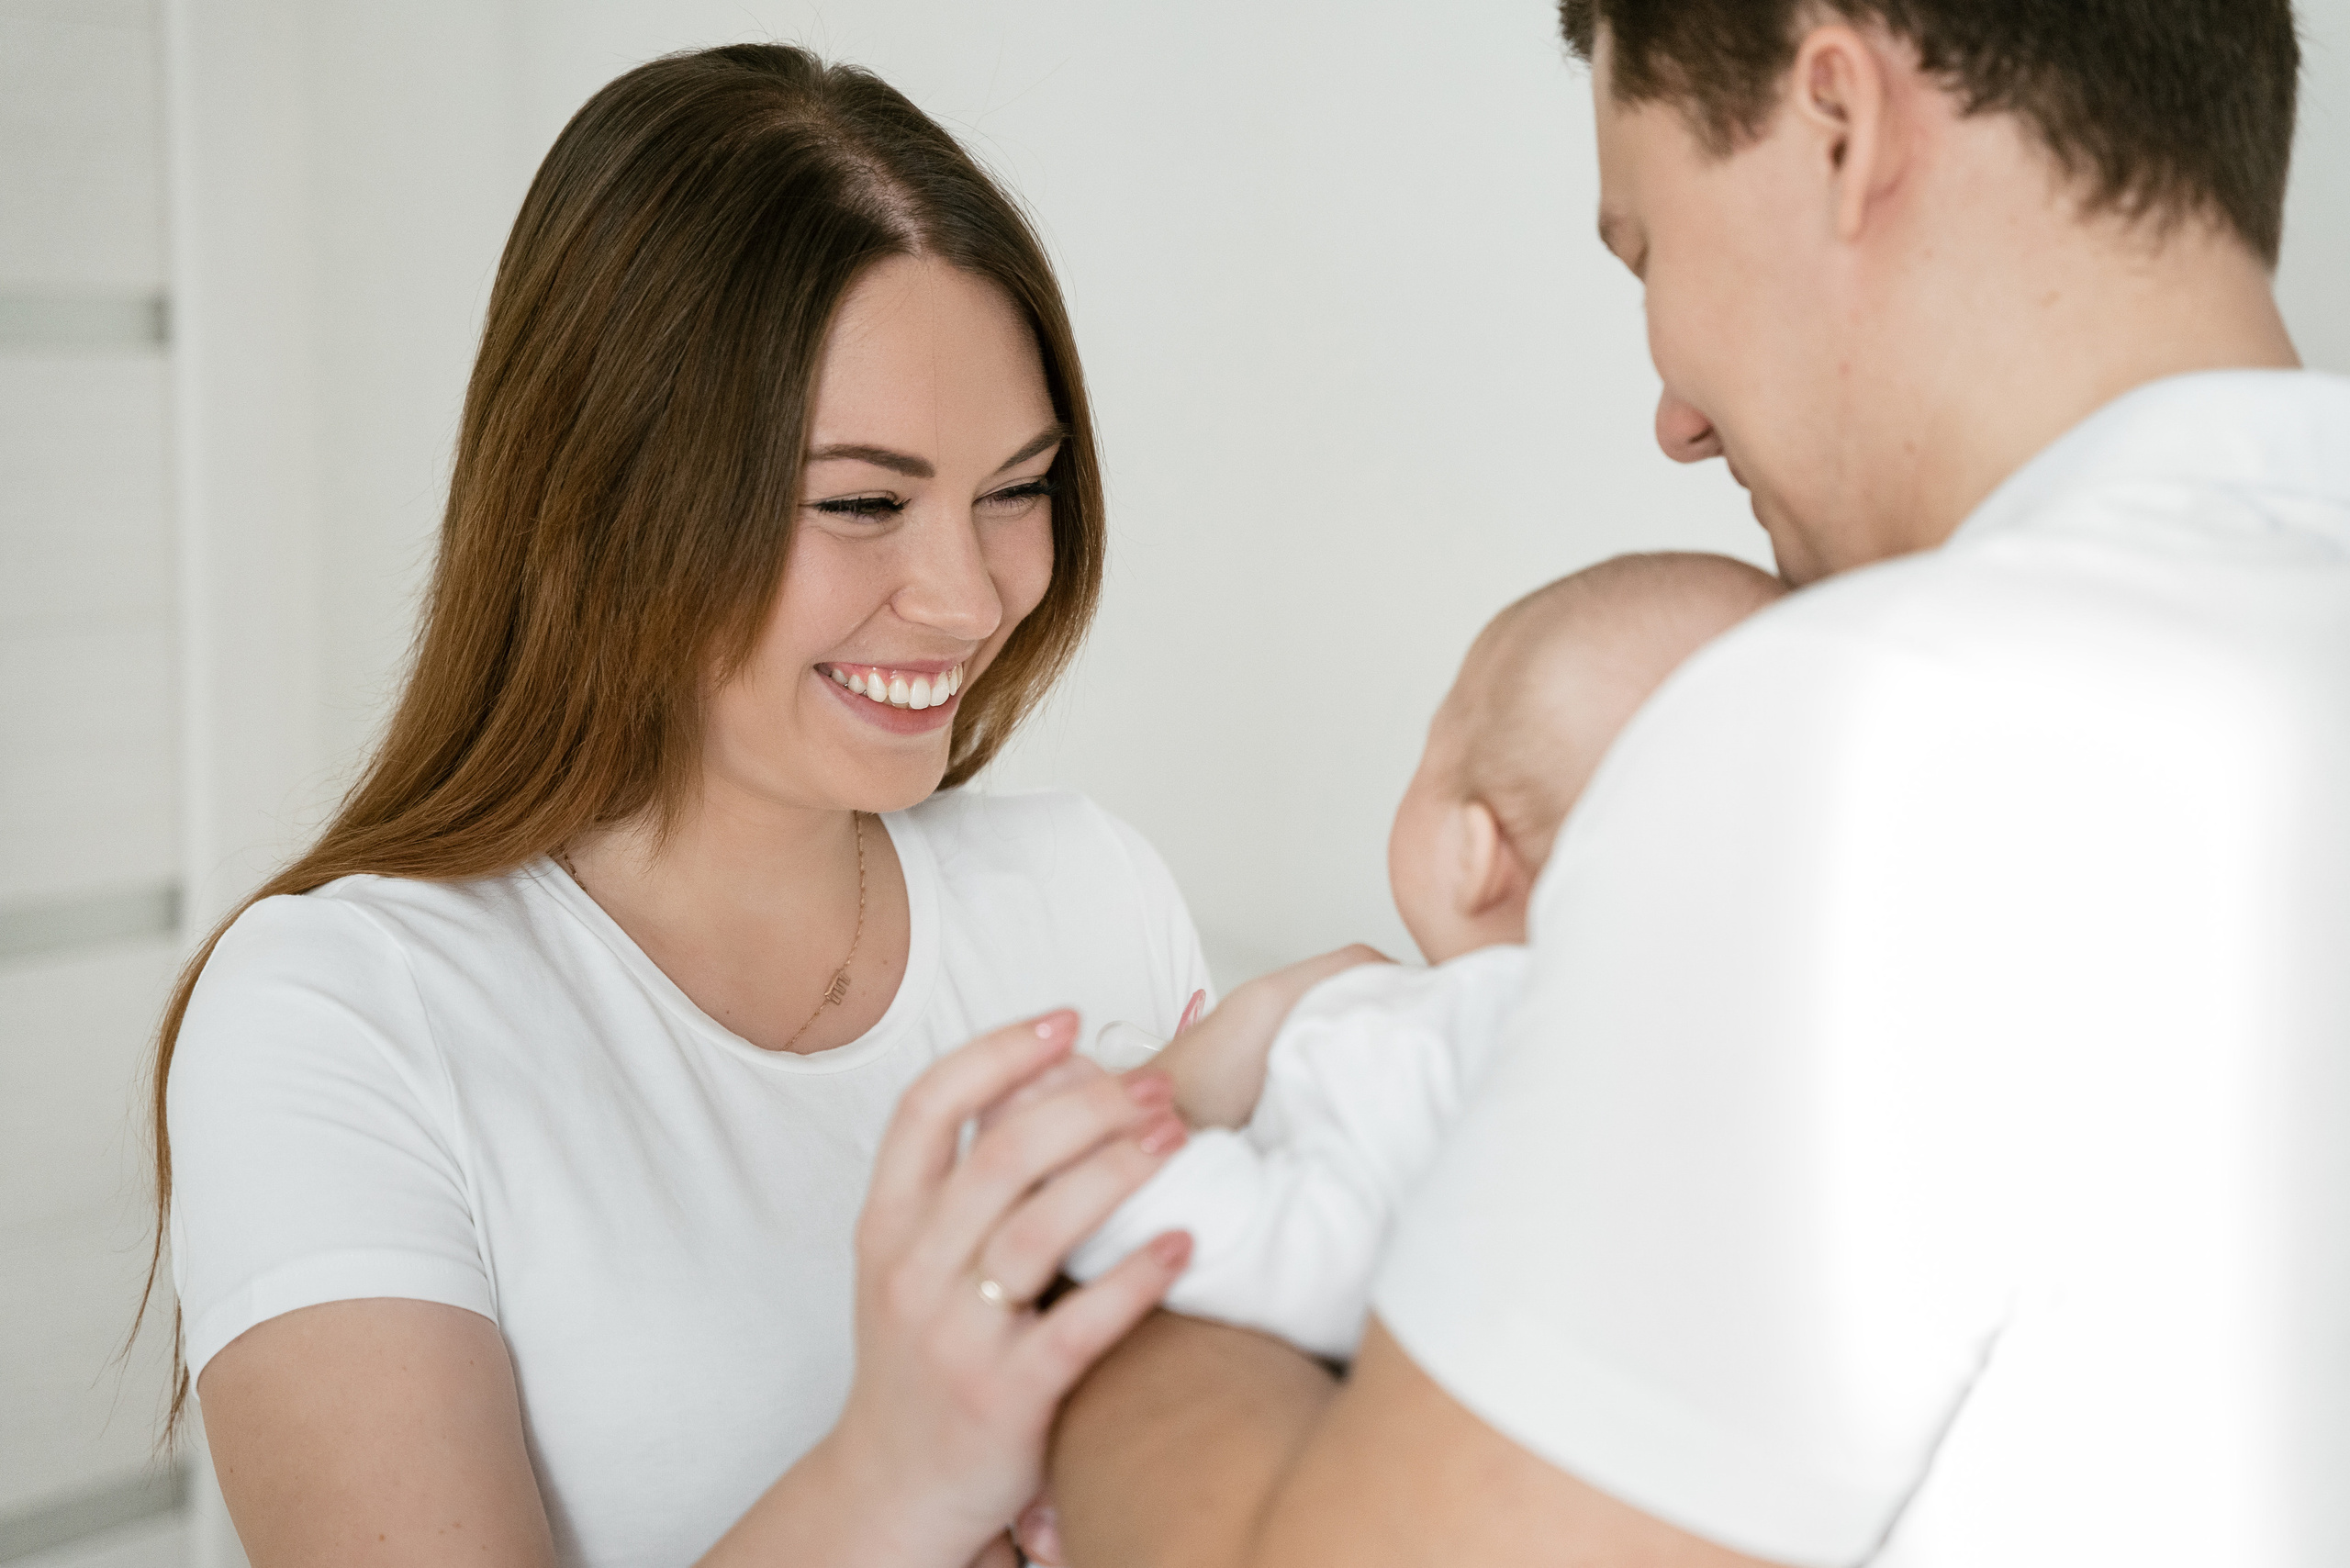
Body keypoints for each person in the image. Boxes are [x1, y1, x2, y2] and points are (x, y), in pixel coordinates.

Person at [1048, 3, 2350, 1565]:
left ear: (1837, 124)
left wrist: (1093, 1287)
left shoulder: (1874, 736)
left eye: (1645, 248)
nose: (1669, 415)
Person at [148, 45, 1222, 1568]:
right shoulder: (340, 1019)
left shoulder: (1091, 897)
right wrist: (899, 1476)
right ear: (606, 491)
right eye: (862, 501)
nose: (969, 592)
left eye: (1017, 487)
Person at [1064, 555, 1785, 1361]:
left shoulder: (1428, 1033)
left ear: (1477, 855)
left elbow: (1318, 1266)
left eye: (1433, 750)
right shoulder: (1730, 1082)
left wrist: (1111, 1173)